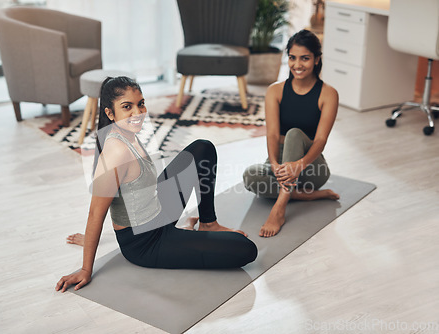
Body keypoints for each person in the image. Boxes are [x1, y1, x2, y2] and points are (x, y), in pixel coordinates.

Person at [56, 76, 257, 292]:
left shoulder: (129, 132)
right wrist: (86, 269)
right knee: (246, 249)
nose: (138, 112)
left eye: (140, 103)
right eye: (127, 107)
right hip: (146, 243)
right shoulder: (115, 151)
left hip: (157, 211)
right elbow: (97, 212)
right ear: (110, 113)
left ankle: (208, 223)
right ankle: (186, 231)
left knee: (202, 148)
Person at [243, 29, 340, 238]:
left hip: (311, 168)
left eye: (305, 58)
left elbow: (321, 139)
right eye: (292, 58)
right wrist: (275, 164)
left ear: (316, 60)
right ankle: (307, 196)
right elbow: (272, 135)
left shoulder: (328, 94)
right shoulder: (275, 91)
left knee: (295, 133)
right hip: (282, 167)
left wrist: (299, 164)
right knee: (250, 176)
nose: (297, 65)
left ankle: (280, 207)